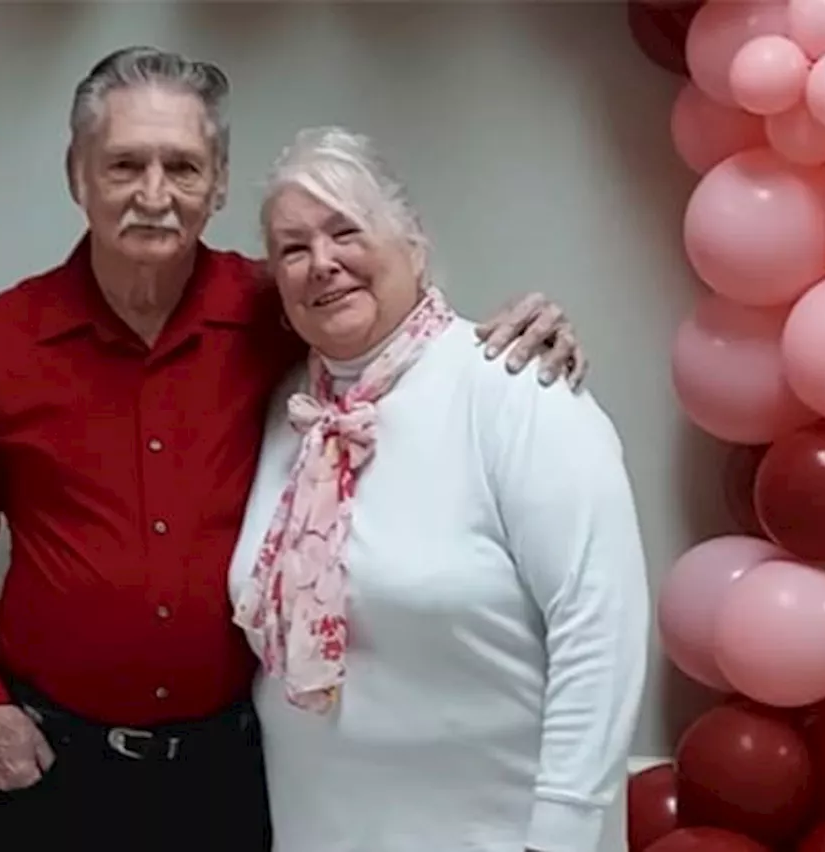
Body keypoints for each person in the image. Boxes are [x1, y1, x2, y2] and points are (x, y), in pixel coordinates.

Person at [0, 46, 590, 852]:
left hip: (228, 773)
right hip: (56, 767)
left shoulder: (278, 308)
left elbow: (395, 333)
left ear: (219, 183)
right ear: (77, 174)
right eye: (125, 164)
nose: (154, 196)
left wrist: (514, 334)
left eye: (183, 168)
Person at [228, 126, 650, 852]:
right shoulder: (284, 412)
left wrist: (563, 831)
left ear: (413, 242)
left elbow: (599, 622)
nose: (321, 263)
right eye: (292, 249)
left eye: (345, 231)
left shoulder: (514, 387)